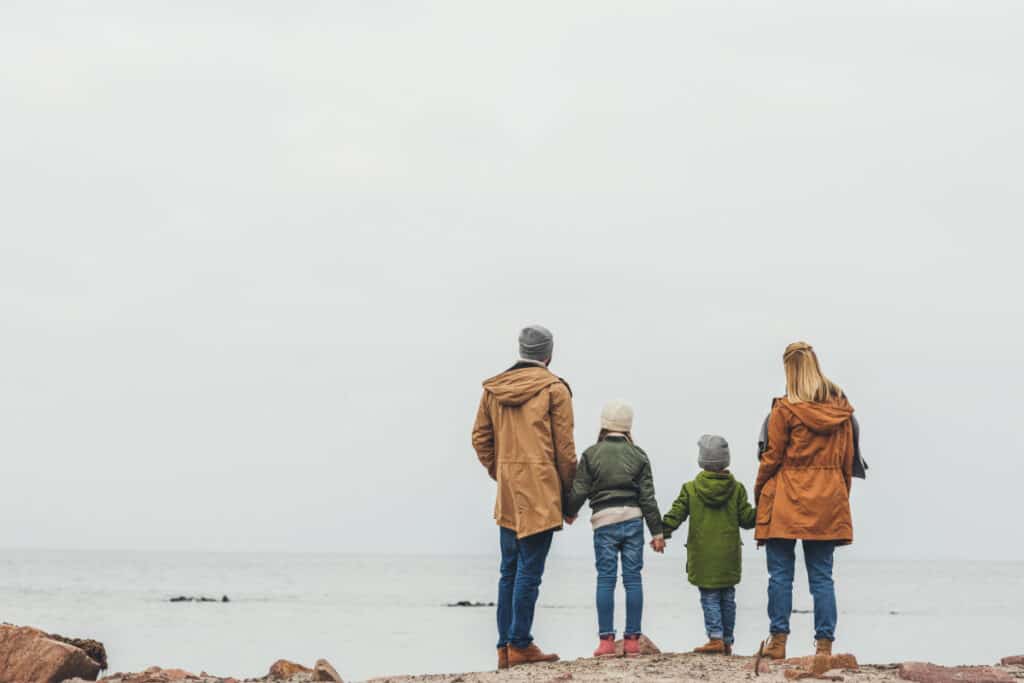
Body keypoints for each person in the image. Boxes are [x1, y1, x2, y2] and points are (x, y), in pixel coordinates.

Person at [471, 325, 578, 670]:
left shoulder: (493, 390)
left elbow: (480, 439)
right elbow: (565, 450)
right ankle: (520, 643)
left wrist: (502, 472)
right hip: (542, 489)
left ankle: (505, 647)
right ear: (548, 354)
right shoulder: (554, 389)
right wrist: (569, 497)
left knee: (509, 571)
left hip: (509, 491)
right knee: (529, 572)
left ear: (521, 350)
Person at [754, 342, 856, 662]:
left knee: (780, 575)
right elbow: (847, 460)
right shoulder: (841, 410)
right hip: (828, 495)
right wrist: (840, 495)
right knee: (822, 577)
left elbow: (772, 459)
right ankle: (824, 647)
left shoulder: (783, 410)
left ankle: (778, 642)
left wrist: (759, 492)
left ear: (789, 371)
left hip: (787, 496)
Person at [564, 400, 664, 658]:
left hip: (604, 522)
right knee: (633, 580)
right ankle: (632, 641)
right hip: (633, 521)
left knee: (606, 579)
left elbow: (580, 490)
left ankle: (606, 642)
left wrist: (570, 511)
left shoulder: (591, 454)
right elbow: (648, 498)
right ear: (628, 428)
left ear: (604, 425)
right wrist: (657, 533)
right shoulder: (639, 455)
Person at [661, 435, 756, 656]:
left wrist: (661, 532)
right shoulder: (737, 489)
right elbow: (748, 520)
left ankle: (715, 638)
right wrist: (765, 511)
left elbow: (676, 515)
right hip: (729, 554)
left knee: (710, 596)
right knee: (728, 596)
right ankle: (727, 640)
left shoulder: (691, 489)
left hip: (702, 554)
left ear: (702, 461)